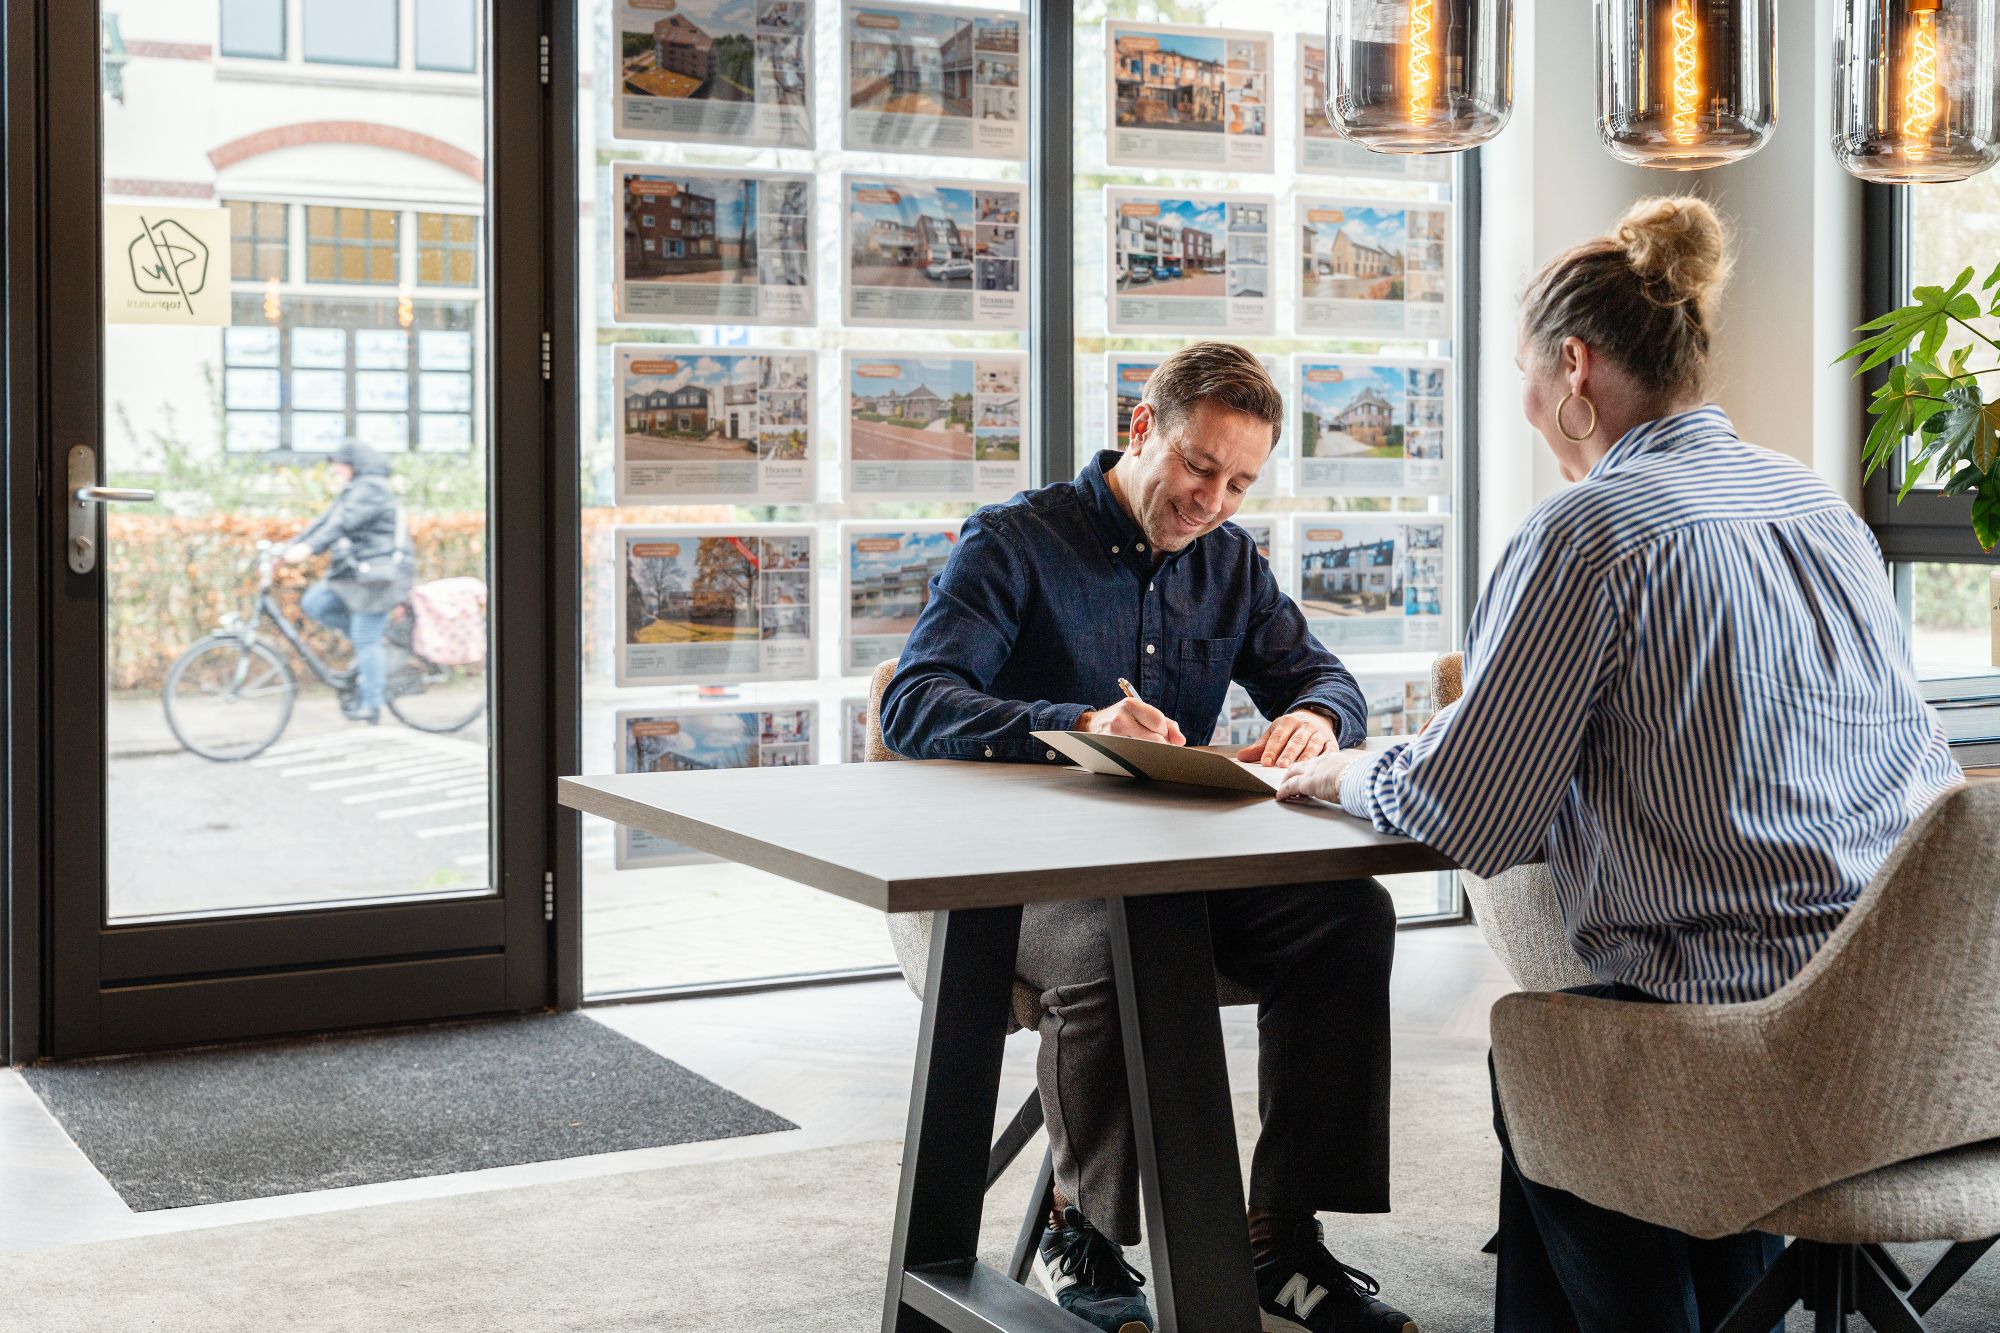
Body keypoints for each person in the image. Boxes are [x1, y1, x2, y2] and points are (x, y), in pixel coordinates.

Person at [1275, 196, 1964, 1333]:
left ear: (1573, 369)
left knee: (1540, 1050)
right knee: (1577, 1053)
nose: (1528, 405)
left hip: (1746, 1039)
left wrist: (1340, 773)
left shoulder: (1589, 532)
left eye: (1523, 375)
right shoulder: (1818, 507)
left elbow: (1466, 815)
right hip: (1908, 1026)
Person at [880, 342, 1419, 1333]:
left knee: (1347, 915)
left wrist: (1317, 719)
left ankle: (1277, 1239)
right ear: (1141, 429)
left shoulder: (1227, 563)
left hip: (1177, 868)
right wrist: (1076, 726)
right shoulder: (1010, 542)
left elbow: (1322, 675)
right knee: (1111, 943)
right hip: (1017, 883)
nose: (1213, 498)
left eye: (1239, 481)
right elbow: (913, 702)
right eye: (1198, 467)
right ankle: (1080, 1228)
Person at [281, 439, 413, 726]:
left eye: (340, 465)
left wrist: (308, 549)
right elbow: (325, 520)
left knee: (366, 638)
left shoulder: (372, 489)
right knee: (315, 603)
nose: (337, 471)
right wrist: (287, 547)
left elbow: (343, 522)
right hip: (358, 575)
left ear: (354, 464)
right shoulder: (356, 489)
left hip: (377, 577)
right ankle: (373, 650)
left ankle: (372, 704)